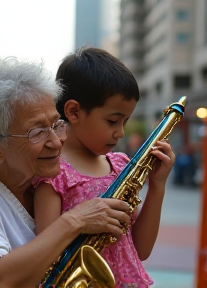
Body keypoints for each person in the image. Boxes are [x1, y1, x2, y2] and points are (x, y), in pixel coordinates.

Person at [0, 56, 132, 288]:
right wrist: (75, 221)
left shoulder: (54, 181)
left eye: (56, 125)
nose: (56, 142)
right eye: (36, 132)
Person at [33, 47, 175, 288]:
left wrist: (157, 186)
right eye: (112, 121)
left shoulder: (120, 165)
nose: (120, 132)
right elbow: (44, 252)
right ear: (74, 111)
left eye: (125, 122)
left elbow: (140, 249)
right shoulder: (53, 172)